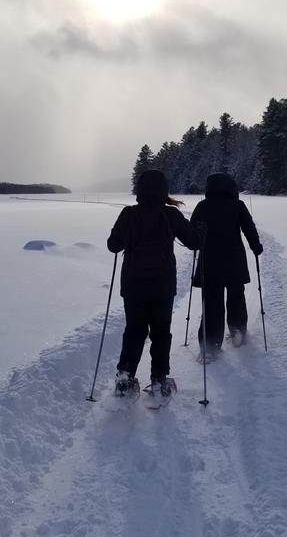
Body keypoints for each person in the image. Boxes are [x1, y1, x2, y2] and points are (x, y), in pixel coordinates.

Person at [107, 169, 204, 398]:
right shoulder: (171, 215)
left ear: (140, 190)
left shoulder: (128, 214)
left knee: (134, 331)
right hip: (162, 285)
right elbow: (194, 242)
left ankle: (125, 378)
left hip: (133, 285)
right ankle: (159, 381)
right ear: (164, 190)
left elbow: (113, 246)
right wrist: (201, 230)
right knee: (161, 333)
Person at [191, 172, 262, 356]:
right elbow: (249, 228)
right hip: (234, 261)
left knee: (212, 302)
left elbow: (192, 232)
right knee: (236, 296)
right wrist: (256, 247)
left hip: (210, 262)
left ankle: (209, 345)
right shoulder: (238, 205)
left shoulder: (202, 206)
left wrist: (196, 242)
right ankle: (238, 331)